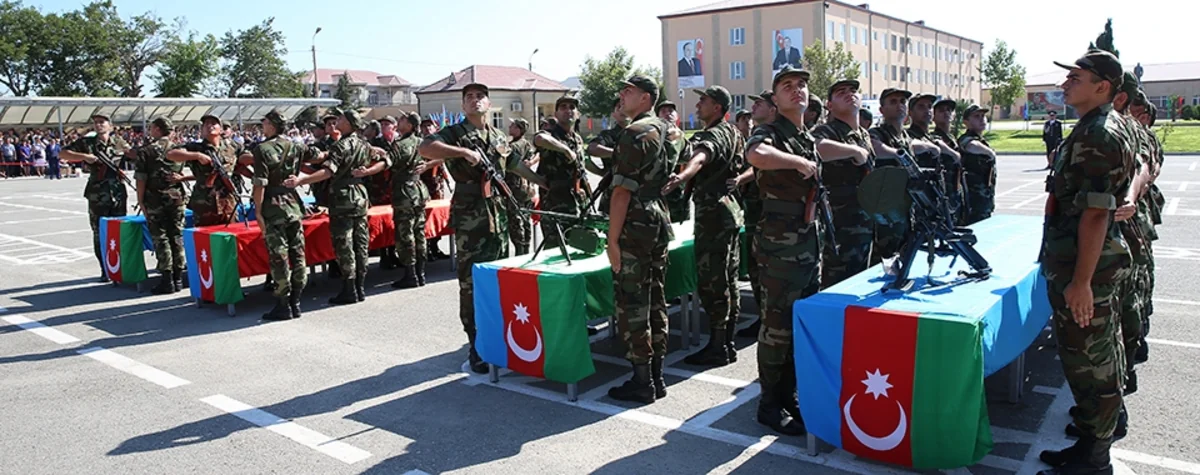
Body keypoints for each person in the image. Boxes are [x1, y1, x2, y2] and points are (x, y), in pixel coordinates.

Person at [1038, 50, 1135, 475]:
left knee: (1089, 363)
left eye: (1075, 77)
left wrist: (1081, 282)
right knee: (1095, 356)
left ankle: (1094, 460)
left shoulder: (1099, 134)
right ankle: (1092, 446)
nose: (1065, 84)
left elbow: (1096, 213)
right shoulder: (1092, 127)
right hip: (1083, 261)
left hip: (1085, 266)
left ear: (1102, 87)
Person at [745, 65, 821, 435]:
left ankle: (789, 394)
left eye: (802, 85)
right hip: (779, 247)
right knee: (776, 329)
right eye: (788, 86)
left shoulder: (807, 135)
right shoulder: (771, 132)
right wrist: (798, 162)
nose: (797, 90)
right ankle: (769, 404)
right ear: (775, 99)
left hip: (807, 244)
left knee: (798, 326)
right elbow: (756, 155)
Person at [418, 82, 512, 374]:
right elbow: (425, 147)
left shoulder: (497, 134)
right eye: (469, 97)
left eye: (480, 96)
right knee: (471, 283)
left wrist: (541, 181)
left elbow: (514, 162)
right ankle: (476, 345)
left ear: (489, 102)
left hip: (497, 215)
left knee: (498, 281)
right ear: (463, 105)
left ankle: (497, 338)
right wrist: (462, 153)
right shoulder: (456, 133)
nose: (475, 100)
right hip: (471, 217)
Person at [662, 85, 744, 367]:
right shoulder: (734, 132)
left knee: (713, 282)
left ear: (718, 107)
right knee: (729, 280)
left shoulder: (715, 134)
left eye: (704, 101)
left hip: (714, 217)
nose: (698, 106)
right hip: (729, 214)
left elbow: (701, 156)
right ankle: (727, 342)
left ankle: (718, 346)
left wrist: (681, 177)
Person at [605, 75, 673, 404]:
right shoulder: (665, 129)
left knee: (633, 302)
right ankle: (657, 376)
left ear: (645, 98)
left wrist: (612, 240)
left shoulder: (634, 133)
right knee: (656, 299)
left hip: (634, 222)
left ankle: (642, 380)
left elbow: (621, 192)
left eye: (628, 91)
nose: (622, 95)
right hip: (657, 218)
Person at [285, 109, 374, 305]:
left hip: (342, 198)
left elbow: (328, 171)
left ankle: (349, 289)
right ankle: (360, 287)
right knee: (361, 243)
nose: (337, 122)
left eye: (341, 119)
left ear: (350, 124)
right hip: (360, 194)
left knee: (344, 244)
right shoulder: (364, 144)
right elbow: (372, 162)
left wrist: (303, 180)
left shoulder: (340, 146)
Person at [251, 110, 315, 321]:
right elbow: (317, 155)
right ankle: (296, 301)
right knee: (298, 253)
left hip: (273, 206)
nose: (263, 125)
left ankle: (283, 303)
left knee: (279, 255)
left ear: (274, 125)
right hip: (293, 204)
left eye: (265, 121)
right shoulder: (296, 145)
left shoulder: (262, 149)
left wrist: (258, 211)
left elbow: (260, 183)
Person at [810, 80, 873, 288]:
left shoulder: (863, 135)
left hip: (864, 221)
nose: (850, 94)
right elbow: (816, 147)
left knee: (859, 281)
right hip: (838, 226)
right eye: (841, 92)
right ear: (829, 105)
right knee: (837, 284)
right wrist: (853, 151)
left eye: (854, 91)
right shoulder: (828, 131)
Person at [870, 89, 945, 261]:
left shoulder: (903, 135)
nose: (899, 106)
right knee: (885, 257)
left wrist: (929, 147)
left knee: (906, 252)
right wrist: (898, 154)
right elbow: (875, 147)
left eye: (902, 102)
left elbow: (911, 143)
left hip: (906, 207)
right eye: (893, 102)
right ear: (881, 110)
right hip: (885, 212)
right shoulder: (878, 132)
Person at [58, 113, 130, 281]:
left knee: (119, 231)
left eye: (102, 122)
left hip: (117, 192)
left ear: (110, 125)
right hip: (97, 193)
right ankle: (105, 269)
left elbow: (133, 154)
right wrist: (84, 157)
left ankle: (120, 267)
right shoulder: (86, 143)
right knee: (99, 232)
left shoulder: (119, 142)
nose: (99, 125)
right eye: (96, 123)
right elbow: (63, 154)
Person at [734, 90, 776, 339]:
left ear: (773, 109)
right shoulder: (761, 137)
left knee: (768, 273)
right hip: (756, 212)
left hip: (769, 214)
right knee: (757, 270)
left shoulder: (773, 137)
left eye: (760, 103)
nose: (754, 107)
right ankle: (763, 318)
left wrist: (741, 177)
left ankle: (767, 320)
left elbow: (756, 163)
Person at [133, 117, 187, 294]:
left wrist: (140, 200)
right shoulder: (179, 149)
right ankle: (179, 277)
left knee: (161, 237)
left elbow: (141, 179)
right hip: (176, 198)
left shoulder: (146, 151)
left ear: (157, 129)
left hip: (155, 198)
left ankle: (166, 279)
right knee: (177, 236)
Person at [533, 94, 589, 249]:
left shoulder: (577, 139)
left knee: (578, 248)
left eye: (572, 107)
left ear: (578, 114)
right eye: (563, 107)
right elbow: (539, 139)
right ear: (556, 114)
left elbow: (582, 169)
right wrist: (564, 150)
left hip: (578, 202)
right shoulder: (551, 134)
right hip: (555, 206)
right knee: (555, 251)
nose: (568, 111)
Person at [167, 114, 241, 227]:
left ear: (220, 129)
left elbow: (246, 157)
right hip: (204, 204)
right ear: (201, 130)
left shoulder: (232, 147)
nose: (209, 126)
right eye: (206, 124)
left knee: (230, 238)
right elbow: (171, 154)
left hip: (228, 202)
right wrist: (197, 156)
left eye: (213, 123)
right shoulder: (195, 147)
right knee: (205, 240)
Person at [385, 113, 431, 288]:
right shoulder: (422, 142)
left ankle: (410, 274)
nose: (399, 121)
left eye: (403, 120)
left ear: (411, 125)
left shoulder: (400, 144)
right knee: (419, 232)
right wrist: (427, 165)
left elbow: (387, 163)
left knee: (405, 234)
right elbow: (443, 156)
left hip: (404, 192)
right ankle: (421, 272)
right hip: (418, 189)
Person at [419, 117, 453, 262]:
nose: (427, 129)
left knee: (436, 217)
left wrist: (447, 182)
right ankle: (425, 249)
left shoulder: (438, 144)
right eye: (424, 126)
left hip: (436, 186)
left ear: (435, 128)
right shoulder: (420, 145)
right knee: (424, 218)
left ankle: (435, 246)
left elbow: (444, 161)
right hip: (422, 186)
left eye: (429, 126)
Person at [368, 116, 399, 270]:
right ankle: (384, 256)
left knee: (393, 222)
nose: (384, 126)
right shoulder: (375, 143)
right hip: (378, 188)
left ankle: (393, 253)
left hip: (395, 187)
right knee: (380, 222)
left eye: (387, 124)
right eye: (382, 124)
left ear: (394, 126)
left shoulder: (398, 142)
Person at [586, 96, 627, 215]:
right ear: (613, 114)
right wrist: (617, 154)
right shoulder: (609, 135)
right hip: (613, 195)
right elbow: (592, 148)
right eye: (619, 107)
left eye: (625, 105)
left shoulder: (645, 133)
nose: (623, 109)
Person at [959, 105, 998, 224]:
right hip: (973, 200)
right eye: (976, 116)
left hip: (984, 197)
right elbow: (969, 145)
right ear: (966, 122)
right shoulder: (967, 138)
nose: (982, 119)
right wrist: (990, 153)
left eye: (983, 116)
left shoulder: (980, 140)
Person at [931, 99, 968, 224]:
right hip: (943, 193)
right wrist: (954, 154)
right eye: (941, 111)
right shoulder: (934, 136)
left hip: (956, 189)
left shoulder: (952, 138)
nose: (946, 113)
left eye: (949, 110)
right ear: (933, 116)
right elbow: (935, 143)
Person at [656, 101, 692, 223]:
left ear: (677, 116)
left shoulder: (682, 137)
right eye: (663, 111)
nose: (667, 114)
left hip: (679, 193)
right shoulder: (655, 137)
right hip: (659, 193)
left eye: (671, 111)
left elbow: (689, 160)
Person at [505, 118, 537, 255]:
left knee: (515, 221)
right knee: (526, 220)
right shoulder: (527, 144)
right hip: (528, 188)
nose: (509, 127)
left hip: (514, 188)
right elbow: (535, 156)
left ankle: (520, 251)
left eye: (512, 125)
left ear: (518, 129)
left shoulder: (513, 147)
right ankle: (526, 249)